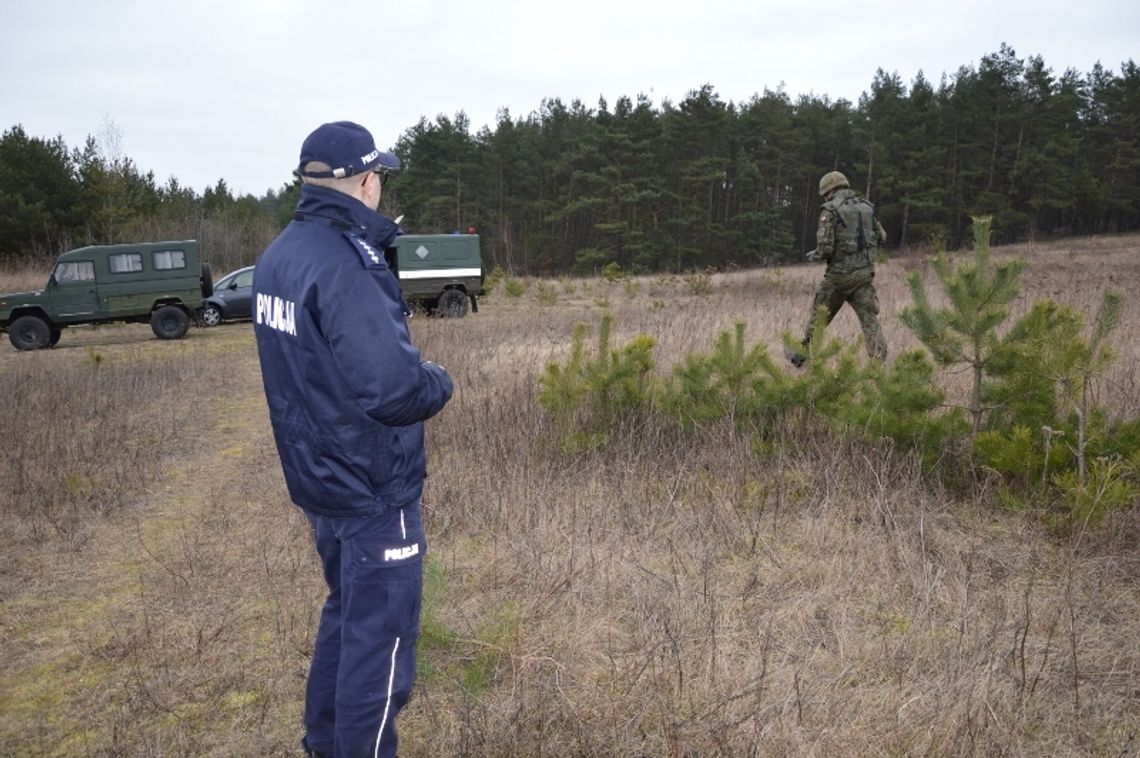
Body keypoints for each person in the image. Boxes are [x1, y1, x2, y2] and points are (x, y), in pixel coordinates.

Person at [252, 121, 454, 758]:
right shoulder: (344, 263)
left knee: (347, 616)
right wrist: (438, 380)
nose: (381, 190)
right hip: (370, 487)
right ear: (365, 183)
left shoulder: (281, 254)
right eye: (380, 179)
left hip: (321, 479)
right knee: (382, 642)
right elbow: (393, 390)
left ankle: (324, 744)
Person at [787, 170, 888, 367]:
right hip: (864, 276)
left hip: (838, 278)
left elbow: (825, 248)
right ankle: (879, 363)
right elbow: (882, 237)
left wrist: (813, 255)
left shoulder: (830, 210)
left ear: (829, 191)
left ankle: (801, 356)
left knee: (819, 318)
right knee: (870, 322)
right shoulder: (867, 208)